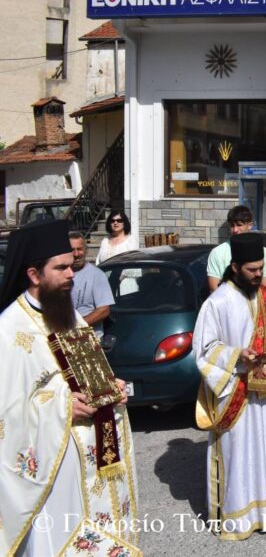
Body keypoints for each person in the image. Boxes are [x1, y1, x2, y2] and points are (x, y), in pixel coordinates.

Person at [0, 219, 138, 556]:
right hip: (52, 469)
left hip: (91, 459)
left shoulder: (69, 315)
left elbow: (89, 372)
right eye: (60, 268)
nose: (71, 274)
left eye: (71, 265)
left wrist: (111, 386)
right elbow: (6, 414)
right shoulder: (9, 330)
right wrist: (62, 404)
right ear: (34, 274)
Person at [193, 232, 266, 540]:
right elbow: (204, 349)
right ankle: (237, 516)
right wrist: (238, 355)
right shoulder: (217, 302)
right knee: (238, 452)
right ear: (235, 267)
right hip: (233, 387)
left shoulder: (264, 296)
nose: (259, 274)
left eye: (261, 268)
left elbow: (264, 334)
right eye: (252, 270)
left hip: (262, 386)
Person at [207, 205, 266, 292]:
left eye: (239, 225)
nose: (235, 230)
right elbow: (214, 288)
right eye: (232, 225)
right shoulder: (217, 252)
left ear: (250, 225)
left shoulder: (265, 253)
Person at [69, 230, 115, 332]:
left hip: (90, 338)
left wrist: (77, 327)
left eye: (79, 249)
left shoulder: (97, 275)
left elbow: (104, 310)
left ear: (86, 250)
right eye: (72, 250)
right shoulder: (61, 275)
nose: (76, 254)